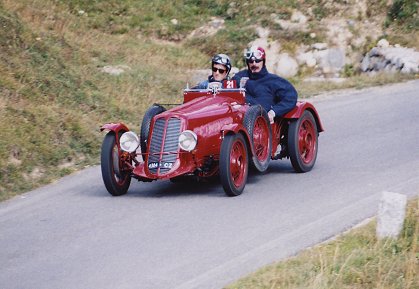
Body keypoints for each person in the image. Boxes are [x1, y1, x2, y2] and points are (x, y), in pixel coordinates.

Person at [232, 46, 298, 123]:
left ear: (263, 61)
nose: (254, 64)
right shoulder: (238, 77)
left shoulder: (274, 81)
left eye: (257, 61)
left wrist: (273, 112)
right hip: (238, 116)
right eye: (251, 61)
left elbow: (291, 97)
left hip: (262, 121)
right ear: (247, 63)